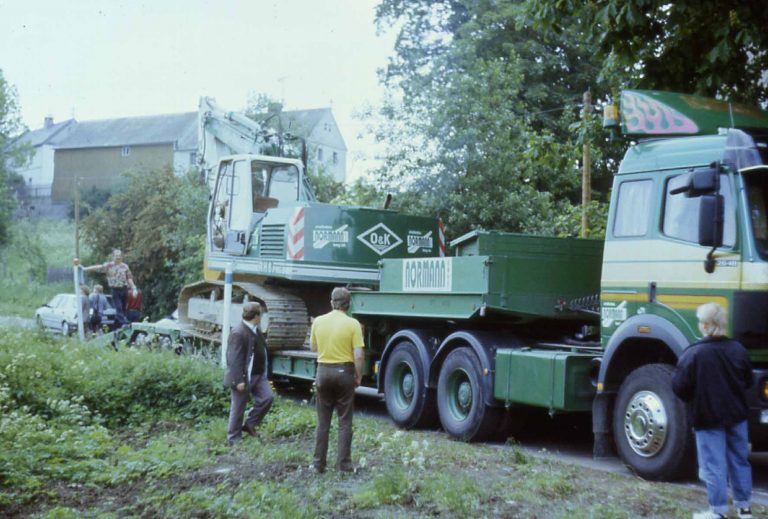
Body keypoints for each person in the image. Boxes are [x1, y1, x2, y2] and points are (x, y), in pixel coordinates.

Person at [672, 303, 753, 519]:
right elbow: (748, 380)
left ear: (706, 325)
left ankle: (717, 512)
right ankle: (745, 509)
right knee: (739, 460)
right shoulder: (738, 349)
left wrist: (694, 399)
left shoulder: (694, 353)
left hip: (708, 418)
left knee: (714, 465)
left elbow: (679, 386)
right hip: (737, 416)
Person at [310, 287, 364, 473]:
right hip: (344, 372)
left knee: (323, 421)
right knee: (344, 420)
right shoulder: (353, 324)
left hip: (323, 371)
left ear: (331, 302)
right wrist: (358, 375)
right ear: (348, 305)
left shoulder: (318, 321)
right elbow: (358, 354)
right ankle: (343, 465)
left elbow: (313, 347)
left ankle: (318, 464)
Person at [223, 302, 273, 446]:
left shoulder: (255, 329)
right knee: (238, 407)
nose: (262, 317)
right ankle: (233, 438)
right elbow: (234, 358)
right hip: (243, 377)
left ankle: (250, 423)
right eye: (261, 315)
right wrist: (239, 380)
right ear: (256, 316)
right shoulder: (238, 332)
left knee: (267, 398)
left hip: (258, 375)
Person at [76, 249, 136, 327]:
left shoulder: (125, 266)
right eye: (116, 256)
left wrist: (134, 288)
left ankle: (116, 325)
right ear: (113, 257)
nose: (118, 257)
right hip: (115, 289)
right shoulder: (109, 266)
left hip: (124, 288)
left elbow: (129, 278)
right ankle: (123, 323)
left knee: (123, 308)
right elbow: (98, 267)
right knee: (119, 307)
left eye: (119, 256)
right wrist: (86, 269)